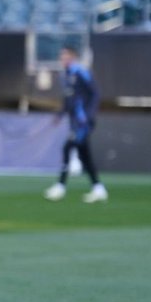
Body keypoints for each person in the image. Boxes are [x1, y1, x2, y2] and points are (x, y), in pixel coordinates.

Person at [44, 45, 107, 203]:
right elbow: (68, 99)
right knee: (84, 155)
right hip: (74, 121)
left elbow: (95, 93)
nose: (62, 59)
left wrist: (89, 114)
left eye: (65, 56)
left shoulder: (80, 71)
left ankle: (60, 186)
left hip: (83, 122)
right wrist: (59, 114)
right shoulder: (65, 75)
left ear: (72, 57)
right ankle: (98, 188)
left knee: (67, 148)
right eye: (61, 56)